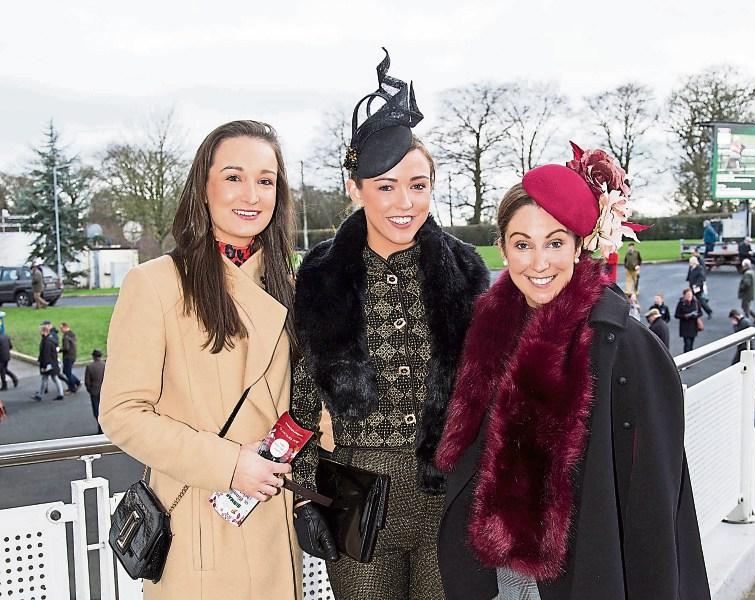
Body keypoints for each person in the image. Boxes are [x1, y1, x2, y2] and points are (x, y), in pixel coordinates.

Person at [435, 142, 709, 600]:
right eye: (523, 244)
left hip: (588, 574)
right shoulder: (488, 331)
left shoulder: (625, 346)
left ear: (580, 246)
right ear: (502, 248)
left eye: (555, 242)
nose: (539, 263)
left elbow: (656, 504)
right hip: (497, 570)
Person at [290, 49, 489, 600]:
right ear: (355, 188)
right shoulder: (323, 274)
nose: (405, 203)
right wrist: (305, 494)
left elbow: (489, 385)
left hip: (445, 490)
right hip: (353, 485)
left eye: (419, 185)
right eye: (386, 186)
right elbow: (302, 392)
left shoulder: (466, 270)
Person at [99, 120, 300, 599]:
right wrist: (228, 464)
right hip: (198, 524)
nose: (251, 194)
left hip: (272, 517)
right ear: (203, 187)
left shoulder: (290, 287)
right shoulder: (155, 284)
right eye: (234, 177)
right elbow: (121, 413)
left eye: (265, 180)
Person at [728, 310, 755, 391]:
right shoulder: (745, 321)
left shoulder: (743, 323)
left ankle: (733, 383)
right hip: (746, 347)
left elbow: (738, 334)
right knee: (752, 366)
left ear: (735, 316)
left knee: (735, 365)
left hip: (744, 348)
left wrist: (734, 326)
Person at [34, 323, 63, 401]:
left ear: (44, 331)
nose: (40, 332)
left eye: (41, 331)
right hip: (53, 363)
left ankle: (40, 395)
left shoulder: (46, 341)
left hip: (48, 364)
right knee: (55, 378)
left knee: (45, 378)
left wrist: (44, 365)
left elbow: (45, 354)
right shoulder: (51, 340)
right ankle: (61, 393)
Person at [84, 348, 105, 434]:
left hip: (95, 391)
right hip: (105, 391)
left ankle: (101, 427)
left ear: (93, 356)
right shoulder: (106, 365)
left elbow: (87, 382)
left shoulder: (90, 367)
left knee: (96, 411)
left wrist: (90, 390)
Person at [676, 287, 702, 353]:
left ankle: (690, 357)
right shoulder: (681, 303)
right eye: (688, 295)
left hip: (693, 326)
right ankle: (686, 357)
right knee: (687, 344)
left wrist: (696, 315)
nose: (689, 296)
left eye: (690, 295)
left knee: (691, 344)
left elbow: (700, 313)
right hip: (685, 327)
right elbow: (676, 315)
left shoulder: (695, 302)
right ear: (684, 295)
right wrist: (685, 316)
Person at [60, 322, 81, 393]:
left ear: (65, 327)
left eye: (61, 328)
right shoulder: (72, 334)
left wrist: (59, 350)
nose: (60, 330)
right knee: (66, 371)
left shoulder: (65, 336)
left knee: (67, 373)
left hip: (68, 357)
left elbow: (66, 348)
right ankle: (77, 382)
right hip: (73, 355)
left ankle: (72, 388)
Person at [738, 258, 755, 323]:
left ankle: (747, 320)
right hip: (749, 292)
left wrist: (741, 288)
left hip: (746, 293)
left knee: (745, 306)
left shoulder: (747, 274)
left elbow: (747, 283)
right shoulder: (751, 272)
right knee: (745, 306)